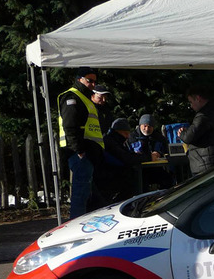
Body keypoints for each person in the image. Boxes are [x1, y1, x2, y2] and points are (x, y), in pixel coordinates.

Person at [58, 67, 105, 219]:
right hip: (79, 153)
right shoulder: (72, 97)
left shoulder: (84, 98)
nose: (92, 84)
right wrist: (79, 150)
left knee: (91, 195)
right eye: (89, 80)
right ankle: (76, 224)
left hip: (88, 152)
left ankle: (89, 224)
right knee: (81, 194)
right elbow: (70, 126)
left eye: (94, 82)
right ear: (79, 79)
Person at [96, 118, 158, 203]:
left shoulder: (114, 140)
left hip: (113, 174)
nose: (127, 136)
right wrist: (149, 158)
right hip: (110, 177)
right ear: (118, 132)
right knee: (137, 182)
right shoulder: (110, 142)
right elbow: (127, 158)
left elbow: (127, 155)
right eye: (125, 133)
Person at [178, 86, 214, 176]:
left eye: (191, 102)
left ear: (198, 98)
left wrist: (182, 133)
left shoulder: (203, 116)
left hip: (205, 166)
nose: (191, 106)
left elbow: (188, 137)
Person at [129, 114, 172, 189]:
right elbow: (134, 153)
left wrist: (159, 153)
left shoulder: (158, 137)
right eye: (145, 126)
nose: (147, 129)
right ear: (140, 125)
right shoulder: (133, 137)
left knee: (168, 180)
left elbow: (166, 149)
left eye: (149, 126)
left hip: (155, 167)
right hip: (138, 170)